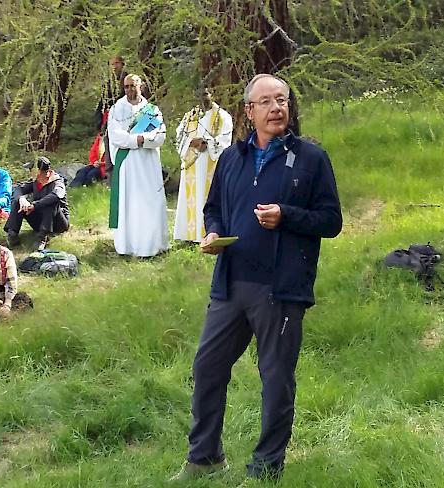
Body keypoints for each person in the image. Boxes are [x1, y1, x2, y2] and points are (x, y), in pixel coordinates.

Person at [171, 74, 342, 482]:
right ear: (249, 111)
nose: (276, 108)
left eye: (281, 100)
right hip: (230, 283)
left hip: (281, 288)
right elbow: (213, 207)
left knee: (276, 378)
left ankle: (266, 468)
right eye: (265, 102)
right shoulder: (232, 157)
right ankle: (205, 457)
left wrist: (287, 216)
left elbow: (331, 221)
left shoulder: (311, 158)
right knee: (208, 366)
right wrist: (212, 232)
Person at [107, 74, 169, 257]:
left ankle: (152, 244)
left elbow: (160, 136)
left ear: (140, 86)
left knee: (150, 202)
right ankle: (129, 246)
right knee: (130, 202)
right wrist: (138, 139)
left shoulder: (151, 110)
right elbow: (116, 136)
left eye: (133, 86)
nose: (129, 90)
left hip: (148, 164)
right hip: (127, 164)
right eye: (126, 87)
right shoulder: (117, 109)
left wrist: (144, 140)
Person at [173, 87, 233, 243]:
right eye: (199, 94)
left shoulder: (222, 116)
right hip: (192, 164)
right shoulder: (189, 117)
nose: (202, 98)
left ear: (212, 94)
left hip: (210, 164)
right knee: (192, 198)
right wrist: (189, 142)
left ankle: (208, 233)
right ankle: (189, 236)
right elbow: (179, 137)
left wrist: (207, 142)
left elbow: (225, 140)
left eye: (205, 94)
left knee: (207, 197)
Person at [5, 156, 69, 250]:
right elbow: (18, 189)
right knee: (19, 202)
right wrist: (22, 199)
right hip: (40, 219)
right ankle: (12, 234)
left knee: (51, 202)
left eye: (31, 169)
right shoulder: (35, 182)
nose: (30, 171)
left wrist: (34, 206)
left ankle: (42, 238)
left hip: (58, 223)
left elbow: (56, 196)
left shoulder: (58, 182)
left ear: (38, 171)